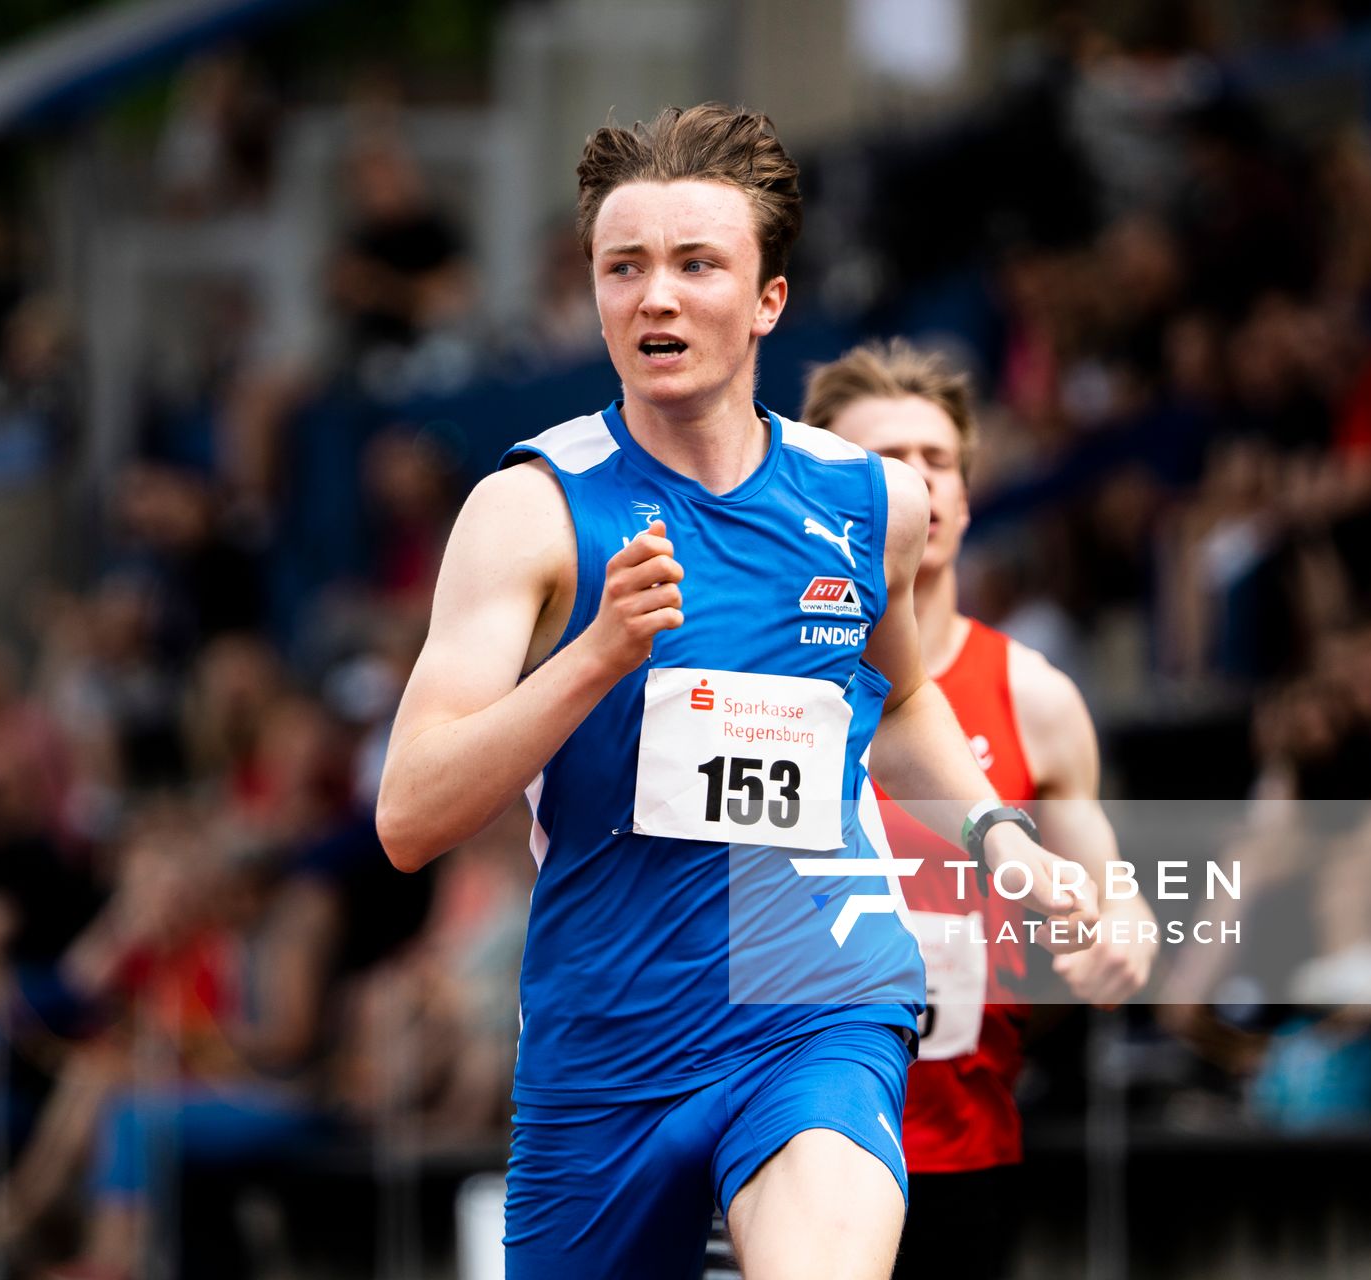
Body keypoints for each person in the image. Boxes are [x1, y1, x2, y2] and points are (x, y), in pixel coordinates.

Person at [375, 104, 1099, 1280]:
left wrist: (997, 838)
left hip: (815, 996)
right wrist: (594, 656)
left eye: (696, 264)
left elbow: (903, 700)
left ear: (767, 300)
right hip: (606, 1041)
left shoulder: (874, 506)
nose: (656, 297)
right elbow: (409, 814)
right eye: (625, 268)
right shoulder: (531, 511)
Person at [806, 340, 1157, 1277]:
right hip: (785, 1138)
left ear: (964, 495)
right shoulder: (767, 677)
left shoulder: (1035, 695)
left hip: (962, 1149)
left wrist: (1117, 932)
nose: (914, 485)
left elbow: (1113, 892)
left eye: (936, 462)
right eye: (883, 462)